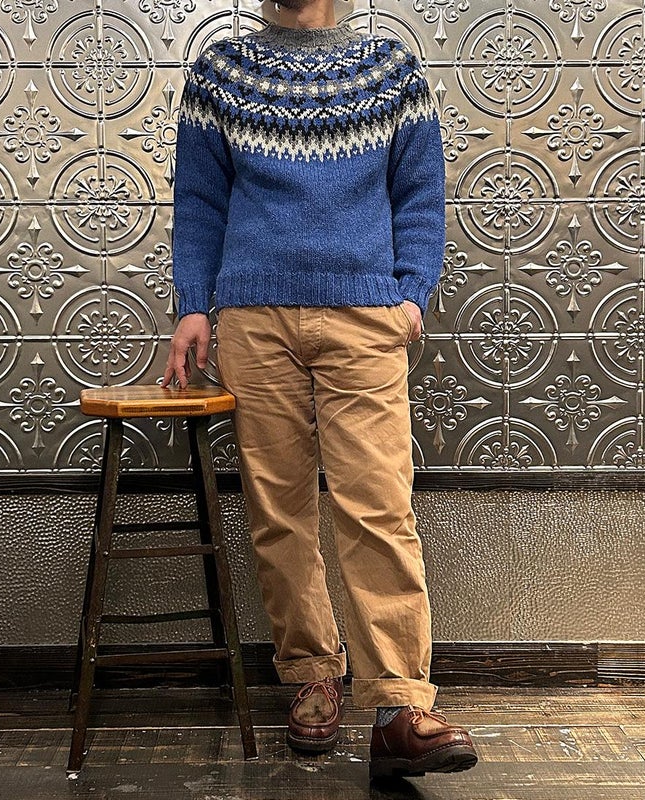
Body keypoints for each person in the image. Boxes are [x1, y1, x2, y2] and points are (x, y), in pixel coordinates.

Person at [163, 0, 478, 779]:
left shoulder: (391, 70)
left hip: (364, 314)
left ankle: (400, 705)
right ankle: (311, 676)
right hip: (253, 317)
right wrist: (194, 305)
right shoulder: (221, 71)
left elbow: (420, 193)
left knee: (378, 503)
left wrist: (411, 294)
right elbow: (200, 201)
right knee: (280, 509)